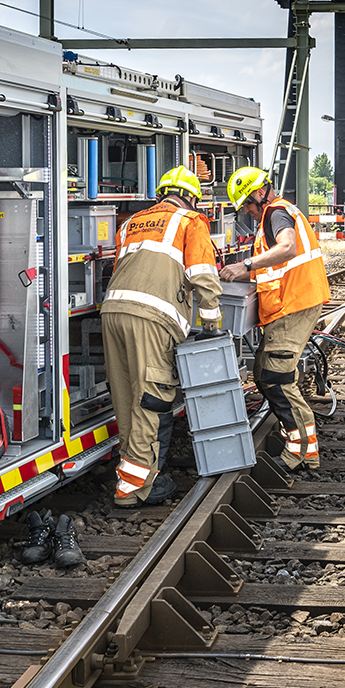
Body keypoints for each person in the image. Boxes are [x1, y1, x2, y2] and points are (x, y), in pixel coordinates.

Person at [100, 165, 223, 508]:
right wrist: (212, 324)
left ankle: (132, 473)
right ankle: (135, 487)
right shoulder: (190, 221)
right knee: (151, 399)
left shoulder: (131, 223)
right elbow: (203, 276)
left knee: (126, 396)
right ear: (191, 197)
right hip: (151, 319)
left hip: (112, 313)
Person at [218, 167, 329, 470]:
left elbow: (287, 247)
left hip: (295, 303)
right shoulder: (274, 213)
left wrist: (246, 265)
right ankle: (305, 449)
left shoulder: (276, 213)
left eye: (247, 206)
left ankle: (298, 453)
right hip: (289, 304)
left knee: (277, 378)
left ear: (258, 194)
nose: (248, 212)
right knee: (264, 372)